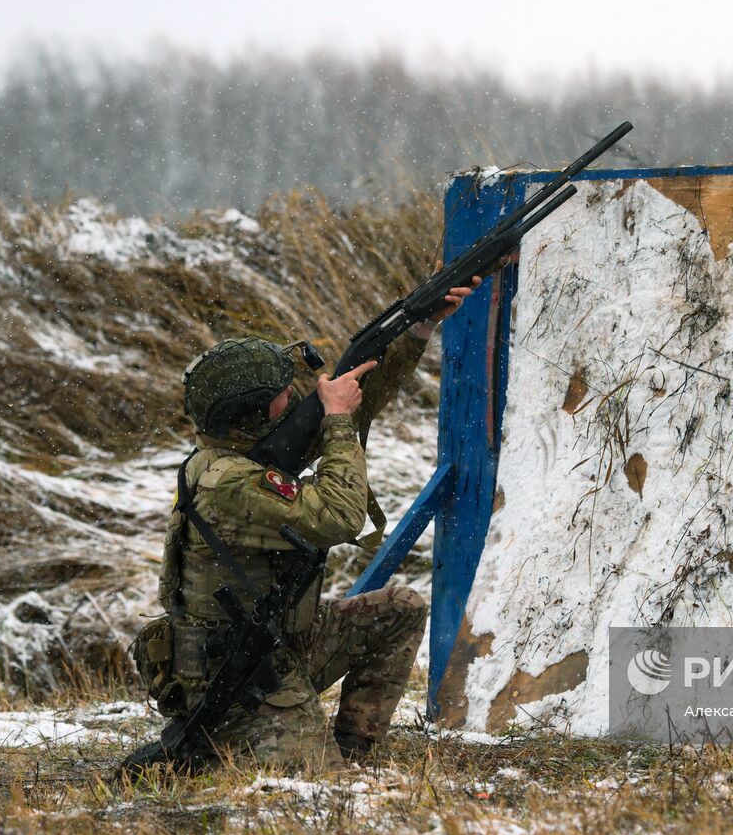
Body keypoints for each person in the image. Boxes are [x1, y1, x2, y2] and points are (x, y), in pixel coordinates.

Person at [130, 277, 479, 771]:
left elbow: (356, 400)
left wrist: (419, 327)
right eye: (278, 394)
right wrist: (336, 420)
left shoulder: (240, 449)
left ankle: (353, 752)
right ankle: (219, 743)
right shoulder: (228, 483)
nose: (292, 395)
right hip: (238, 676)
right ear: (251, 416)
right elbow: (339, 515)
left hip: (279, 643)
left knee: (399, 608)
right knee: (316, 791)